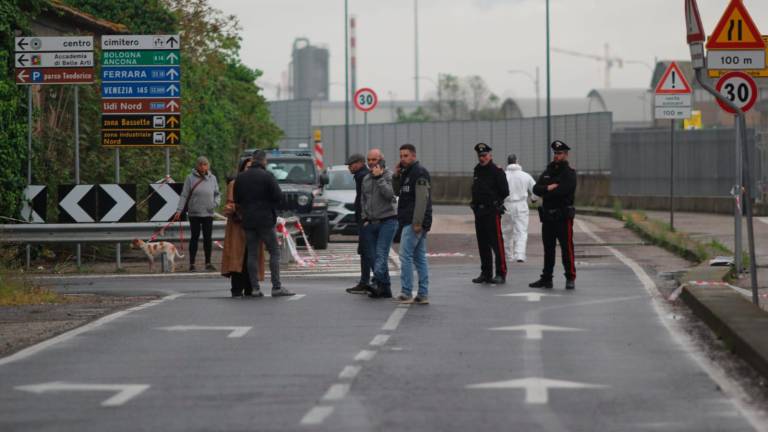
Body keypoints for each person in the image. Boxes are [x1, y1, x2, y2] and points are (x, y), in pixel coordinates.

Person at [234, 150, 295, 297]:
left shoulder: (241, 177)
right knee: (274, 251)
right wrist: (269, 205)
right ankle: (276, 287)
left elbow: (237, 199)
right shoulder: (267, 176)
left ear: (253, 160)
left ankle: (255, 288)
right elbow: (279, 197)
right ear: (264, 161)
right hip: (265, 220)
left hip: (248, 220)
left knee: (252, 254)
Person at [529, 140, 578, 290]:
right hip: (548, 217)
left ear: (566, 155)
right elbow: (536, 189)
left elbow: (563, 191)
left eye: (560, 153)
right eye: (555, 153)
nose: (557, 156)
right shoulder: (549, 171)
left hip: (563, 217)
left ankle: (570, 277)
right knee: (548, 249)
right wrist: (549, 187)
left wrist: (547, 191)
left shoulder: (569, 173)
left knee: (566, 248)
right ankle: (546, 279)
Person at [393, 143, 432, 305]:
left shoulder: (419, 173)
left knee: (405, 255)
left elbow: (422, 200)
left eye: (406, 156)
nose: (403, 159)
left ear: (414, 156)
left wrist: (417, 222)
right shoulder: (406, 173)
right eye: (401, 156)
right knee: (419, 257)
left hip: (414, 221)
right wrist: (396, 176)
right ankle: (422, 293)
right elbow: (397, 192)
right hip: (409, 220)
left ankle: (407, 291)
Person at [360, 148, 398, 299]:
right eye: (368, 160)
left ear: (381, 160)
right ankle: (385, 288)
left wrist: (379, 178)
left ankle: (376, 281)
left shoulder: (389, 176)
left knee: (381, 254)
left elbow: (390, 195)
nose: (370, 163)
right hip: (370, 222)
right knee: (373, 257)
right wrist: (365, 218)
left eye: (374, 160)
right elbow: (364, 199)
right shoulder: (366, 178)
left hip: (388, 220)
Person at [470, 143, 510, 285]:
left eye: (484, 155)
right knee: (483, 244)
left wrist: (495, 201)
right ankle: (486, 273)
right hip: (479, 211)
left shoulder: (496, 171)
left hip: (491, 211)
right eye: (480, 156)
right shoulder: (477, 170)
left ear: (490, 155)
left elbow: (505, 191)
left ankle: (501, 273)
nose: (482, 158)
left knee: (496, 243)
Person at [174, 156, 221, 272]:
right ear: (197, 166)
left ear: (208, 166)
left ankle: (208, 263)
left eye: (205, 164)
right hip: (194, 213)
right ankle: (192, 263)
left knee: (207, 238)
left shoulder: (212, 178)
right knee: (194, 238)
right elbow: (184, 195)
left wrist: (215, 203)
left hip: (208, 213)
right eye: (201, 164)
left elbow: (217, 193)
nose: (203, 167)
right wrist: (179, 210)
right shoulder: (190, 178)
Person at [221, 158, 253, 297]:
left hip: (253, 226)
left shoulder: (257, 184)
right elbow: (228, 206)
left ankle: (251, 287)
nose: (249, 170)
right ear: (242, 168)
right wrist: (236, 208)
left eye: (252, 167)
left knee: (250, 258)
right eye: (247, 167)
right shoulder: (234, 184)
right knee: (236, 258)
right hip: (237, 227)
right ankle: (236, 289)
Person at [345, 153, 373, 295]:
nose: (349, 167)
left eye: (352, 164)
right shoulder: (361, 176)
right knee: (365, 250)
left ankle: (367, 282)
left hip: (366, 218)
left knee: (366, 250)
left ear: (361, 163)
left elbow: (366, 199)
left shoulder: (363, 176)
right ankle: (367, 281)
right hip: (365, 217)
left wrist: (365, 217)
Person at [502, 154, 537, 263]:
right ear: (517, 161)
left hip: (506, 204)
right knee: (521, 231)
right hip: (521, 205)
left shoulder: (503, 175)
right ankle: (520, 255)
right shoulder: (525, 176)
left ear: (508, 162)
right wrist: (533, 198)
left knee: (506, 232)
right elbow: (536, 189)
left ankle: (508, 255)